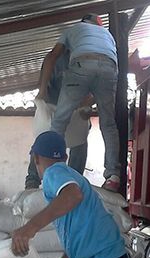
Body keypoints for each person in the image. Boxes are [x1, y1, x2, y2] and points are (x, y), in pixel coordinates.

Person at [36, 14, 122, 192]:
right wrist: (86, 105)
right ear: (98, 24)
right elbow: (102, 71)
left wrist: (42, 91)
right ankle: (113, 175)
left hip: (82, 64)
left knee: (59, 121)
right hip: (110, 69)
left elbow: (51, 57)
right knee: (108, 123)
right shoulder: (107, 35)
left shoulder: (73, 29)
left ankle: (52, 171)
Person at [25, 50, 93, 190]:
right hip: (52, 109)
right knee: (43, 142)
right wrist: (42, 95)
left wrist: (87, 105)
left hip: (74, 110)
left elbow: (96, 91)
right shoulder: (56, 59)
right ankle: (32, 182)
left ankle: (73, 182)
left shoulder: (91, 62)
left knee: (80, 141)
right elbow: (44, 83)